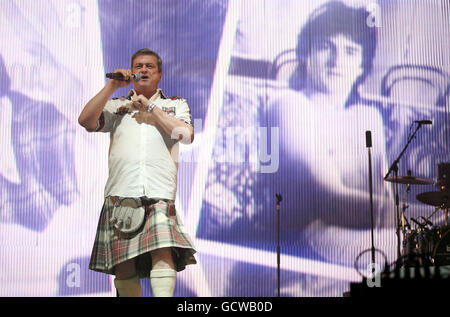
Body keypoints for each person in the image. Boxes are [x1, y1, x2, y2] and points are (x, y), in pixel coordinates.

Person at [78, 48, 197, 297]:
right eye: (139, 66)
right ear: (132, 73)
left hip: (159, 191)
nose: (144, 70)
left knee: (163, 252)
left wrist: (151, 109)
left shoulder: (173, 105)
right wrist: (112, 85)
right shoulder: (117, 105)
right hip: (122, 190)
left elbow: (185, 136)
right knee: (124, 265)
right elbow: (86, 121)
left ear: (160, 74)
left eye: (150, 66)